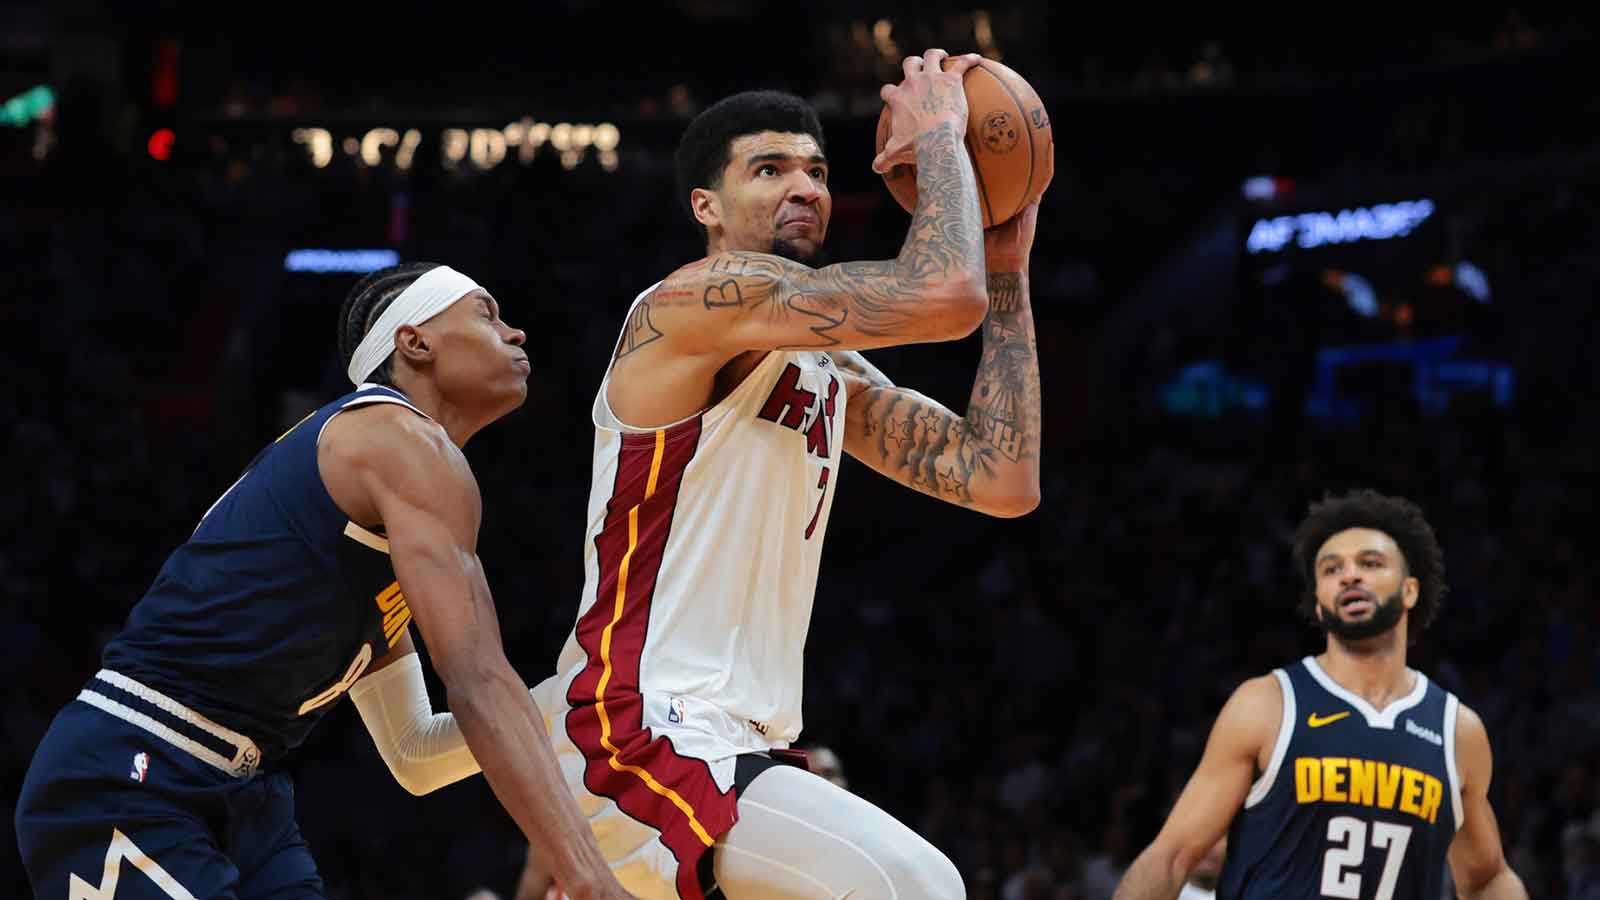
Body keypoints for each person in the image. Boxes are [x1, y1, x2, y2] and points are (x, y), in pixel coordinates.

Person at [521, 47, 1045, 899]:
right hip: (640, 725)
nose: (804, 186)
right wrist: (945, 129)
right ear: (708, 207)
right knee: (916, 885)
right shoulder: (688, 303)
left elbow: (1001, 476)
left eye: (816, 170)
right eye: (769, 170)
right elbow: (945, 293)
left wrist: (1012, 272)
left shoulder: (827, 366)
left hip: (738, 737)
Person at [15, 263, 630, 899]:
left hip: (245, 795)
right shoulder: (396, 439)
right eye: (486, 313)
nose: (516, 332)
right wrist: (587, 875)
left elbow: (416, 753)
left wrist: (571, 704)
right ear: (415, 342)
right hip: (135, 763)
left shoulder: (387, 504)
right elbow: (477, 679)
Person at [1113, 489, 1527, 899]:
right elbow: (1170, 858)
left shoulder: (1457, 731)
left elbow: (1488, 877)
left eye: (1370, 563)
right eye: (1331, 570)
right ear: (1318, 601)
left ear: (1410, 591)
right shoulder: (1267, 705)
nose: (1349, 575)